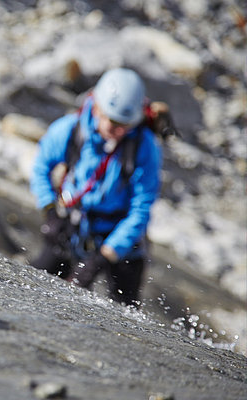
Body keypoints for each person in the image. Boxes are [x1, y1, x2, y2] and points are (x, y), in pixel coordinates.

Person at [30, 68, 162, 306]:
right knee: (33, 284)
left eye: (126, 125)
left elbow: (140, 209)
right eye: (113, 121)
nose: (118, 130)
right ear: (97, 107)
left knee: (126, 311)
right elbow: (41, 167)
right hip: (72, 228)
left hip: (121, 238)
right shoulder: (70, 130)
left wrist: (104, 256)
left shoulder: (144, 147)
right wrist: (50, 210)